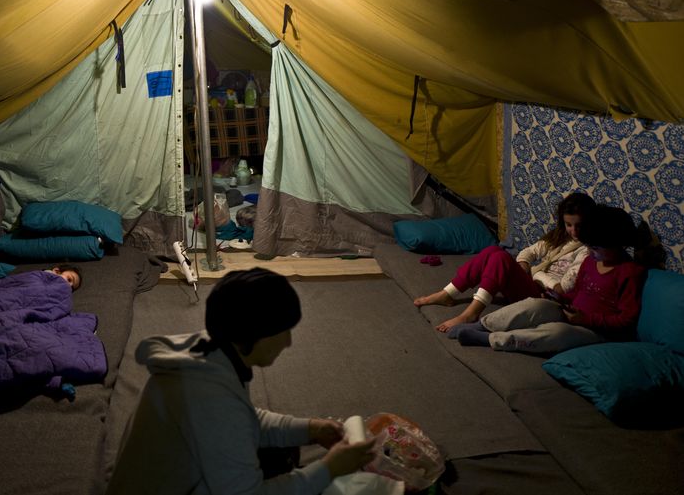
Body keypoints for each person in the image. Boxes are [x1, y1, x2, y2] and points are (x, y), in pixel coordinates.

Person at [105, 268, 376, 495]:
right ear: (255, 334)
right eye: (283, 332)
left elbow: (242, 419)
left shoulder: (213, 346)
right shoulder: (208, 397)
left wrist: (311, 429)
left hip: (171, 472)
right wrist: (329, 468)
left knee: (283, 449)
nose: (289, 342)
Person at [451, 205, 647, 354]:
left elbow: (626, 321)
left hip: (597, 331)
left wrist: (585, 319)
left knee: (557, 332)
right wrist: (561, 299)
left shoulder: (629, 272)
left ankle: (493, 339)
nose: (591, 252)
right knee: (536, 305)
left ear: (615, 244)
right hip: (572, 314)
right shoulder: (590, 262)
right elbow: (576, 294)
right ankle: (483, 324)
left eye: (596, 248)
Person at [414, 192, 596, 333]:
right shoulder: (560, 237)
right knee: (493, 251)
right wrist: (524, 264)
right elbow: (529, 251)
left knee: (500, 258)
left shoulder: (588, 251)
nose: (573, 231)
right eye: (569, 225)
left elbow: (563, 288)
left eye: (579, 225)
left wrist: (536, 274)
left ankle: (471, 314)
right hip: (533, 285)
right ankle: (448, 293)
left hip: (547, 298)